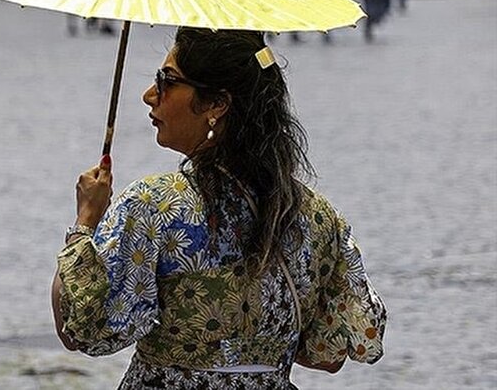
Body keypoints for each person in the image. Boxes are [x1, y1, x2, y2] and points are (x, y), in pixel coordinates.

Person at [51, 28, 386, 388]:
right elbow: (329, 354)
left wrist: (85, 222)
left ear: (216, 104)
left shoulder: (153, 209)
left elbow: (81, 330)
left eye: (167, 81)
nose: (150, 96)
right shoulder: (315, 217)